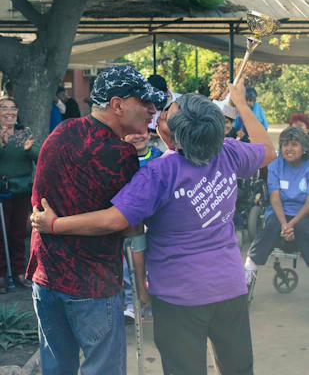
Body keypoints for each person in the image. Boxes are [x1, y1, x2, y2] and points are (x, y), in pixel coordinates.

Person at [31, 79, 276, 375]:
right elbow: (267, 150)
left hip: (178, 295)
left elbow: (113, 220)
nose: (157, 114)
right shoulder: (229, 153)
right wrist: (242, 105)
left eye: (165, 113)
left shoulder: (159, 173)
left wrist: (55, 224)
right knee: (238, 369)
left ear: (173, 134)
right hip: (229, 287)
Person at [26, 65, 167, 375]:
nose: (152, 110)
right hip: (90, 284)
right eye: (144, 102)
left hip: (45, 276)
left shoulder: (63, 130)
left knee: (57, 367)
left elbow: (41, 199)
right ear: (117, 105)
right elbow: (125, 222)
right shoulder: (120, 154)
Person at [245, 126, 309, 285]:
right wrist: (284, 225)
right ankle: (250, 266)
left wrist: (291, 225)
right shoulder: (276, 165)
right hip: (280, 212)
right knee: (271, 226)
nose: (289, 148)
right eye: (285, 144)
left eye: (294, 144)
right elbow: (275, 198)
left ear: (304, 148)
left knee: (302, 228)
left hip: (304, 213)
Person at [0, 97, 40, 294]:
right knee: (1, 233)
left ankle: (18, 271)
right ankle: (1, 275)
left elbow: (40, 156)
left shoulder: (26, 133)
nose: (9, 112)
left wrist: (29, 148)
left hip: (23, 189)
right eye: (4, 108)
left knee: (18, 234)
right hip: (2, 191)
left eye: (13, 108)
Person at [122, 130, 162, 323]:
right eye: (131, 134)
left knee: (152, 262)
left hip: (154, 219)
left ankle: (155, 303)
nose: (137, 136)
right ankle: (132, 303)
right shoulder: (119, 160)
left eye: (142, 132)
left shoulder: (159, 158)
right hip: (131, 220)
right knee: (128, 263)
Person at [147, 74, 181, 152]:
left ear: (167, 91)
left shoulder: (182, 103)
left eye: (159, 101)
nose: (155, 106)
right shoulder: (141, 104)